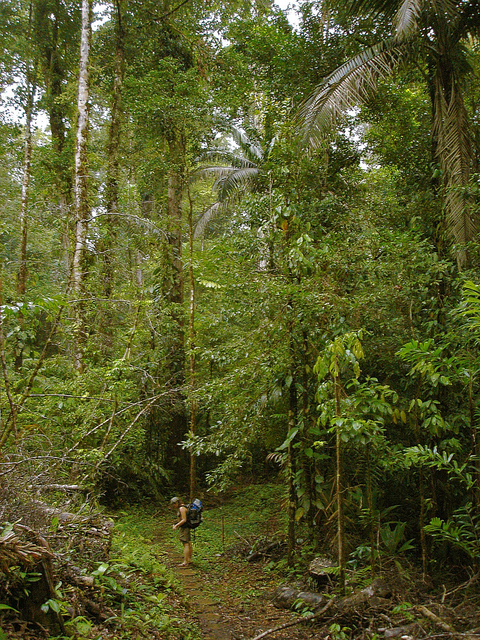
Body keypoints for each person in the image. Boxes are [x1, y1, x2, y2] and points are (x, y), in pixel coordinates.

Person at [170, 496, 192, 567]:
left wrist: (176, 525)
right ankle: (189, 559)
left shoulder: (182, 508)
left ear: (178, 502)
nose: (173, 505)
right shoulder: (183, 507)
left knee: (186, 544)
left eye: (174, 503)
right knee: (188, 543)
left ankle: (186, 561)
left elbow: (184, 519)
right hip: (185, 527)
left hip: (185, 528)